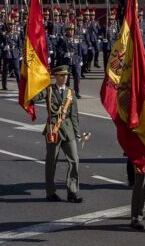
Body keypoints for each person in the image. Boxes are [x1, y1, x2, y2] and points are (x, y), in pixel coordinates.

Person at [42, 66, 83, 203]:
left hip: (68, 131)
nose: (65, 77)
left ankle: (72, 192)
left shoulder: (70, 92)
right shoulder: (49, 90)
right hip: (53, 130)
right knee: (51, 162)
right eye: (61, 75)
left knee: (74, 161)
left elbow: (74, 115)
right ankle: (50, 192)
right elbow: (35, 97)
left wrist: (77, 133)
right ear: (55, 76)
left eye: (66, 75)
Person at [56, 22, 85, 99]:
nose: (70, 31)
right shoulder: (63, 39)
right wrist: (65, 54)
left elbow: (79, 50)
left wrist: (81, 59)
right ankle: (67, 93)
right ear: (66, 31)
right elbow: (59, 50)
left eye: (72, 30)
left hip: (76, 61)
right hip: (66, 61)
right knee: (66, 78)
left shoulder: (76, 38)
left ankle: (77, 92)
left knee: (77, 77)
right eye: (69, 30)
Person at [1, 20, 22, 90]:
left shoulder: (16, 34)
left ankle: (20, 85)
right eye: (10, 25)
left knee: (17, 71)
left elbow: (20, 45)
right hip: (7, 54)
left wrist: (20, 53)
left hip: (15, 55)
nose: (11, 26)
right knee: (5, 70)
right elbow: (0, 43)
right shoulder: (3, 35)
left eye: (12, 25)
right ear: (7, 26)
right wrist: (4, 46)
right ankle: (4, 85)